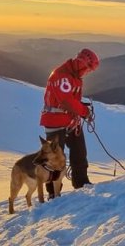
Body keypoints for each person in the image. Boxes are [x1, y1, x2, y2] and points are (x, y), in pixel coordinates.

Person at [40, 48, 100, 195]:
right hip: (55, 121)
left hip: (70, 121)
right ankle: (53, 193)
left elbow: (70, 100)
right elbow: (67, 101)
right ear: (83, 64)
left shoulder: (73, 76)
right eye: (88, 69)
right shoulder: (62, 76)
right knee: (55, 159)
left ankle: (81, 183)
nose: (88, 72)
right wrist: (84, 112)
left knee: (80, 153)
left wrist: (81, 110)